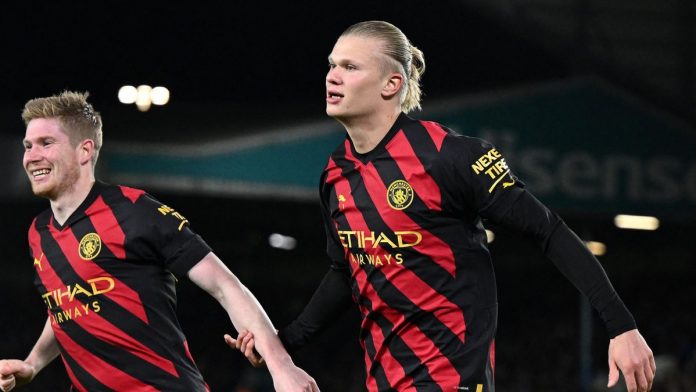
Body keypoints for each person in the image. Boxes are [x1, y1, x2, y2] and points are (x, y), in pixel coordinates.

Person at [230, 20, 656, 392]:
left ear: (391, 85)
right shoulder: (335, 175)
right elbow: (347, 271)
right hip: (384, 379)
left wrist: (621, 325)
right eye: (331, 64)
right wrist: (284, 343)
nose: (332, 76)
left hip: (452, 377)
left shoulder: (448, 157)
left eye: (350, 67)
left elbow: (548, 230)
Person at [0, 91, 319, 392]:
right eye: (28, 146)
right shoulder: (38, 232)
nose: (32, 156)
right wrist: (33, 363)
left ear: (84, 151)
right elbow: (65, 307)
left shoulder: (136, 211)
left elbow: (225, 285)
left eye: (45, 143)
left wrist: (282, 366)